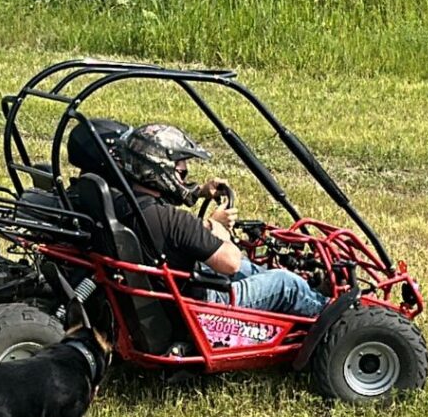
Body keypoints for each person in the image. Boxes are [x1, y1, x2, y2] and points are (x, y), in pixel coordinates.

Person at [114, 123, 329, 316]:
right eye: (181, 168)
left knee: (249, 267)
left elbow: (170, 206)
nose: (185, 172)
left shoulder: (123, 204)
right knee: (285, 283)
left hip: (167, 295)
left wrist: (198, 192)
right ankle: (332, 313)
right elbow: (230, 263)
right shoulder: (174, 221)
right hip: (202, 307)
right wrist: (216, 227)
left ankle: (309, 291)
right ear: (160, 168)